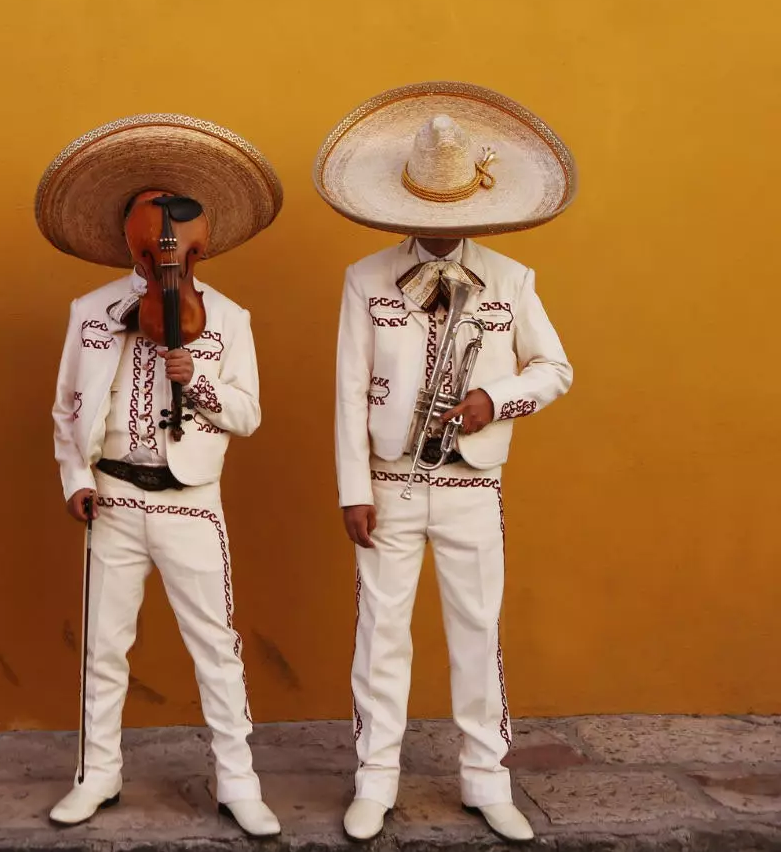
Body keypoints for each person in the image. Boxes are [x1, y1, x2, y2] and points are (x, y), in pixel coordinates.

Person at [312, 85, 577, 843]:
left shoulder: (513, 280)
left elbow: (555, 369)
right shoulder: (365, 279)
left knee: (475, 630)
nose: (438, 229)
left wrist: (497, 397)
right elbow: (347, 389)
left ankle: (487, 777)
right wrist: (352, 488)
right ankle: (375, 778)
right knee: (381, 632)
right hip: (391, 485)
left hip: (473, 484)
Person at [34, 115, 284, 838]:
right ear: (127, 240)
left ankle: (238, 782)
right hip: (111, 495)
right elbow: (64, 408)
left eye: (176, 236)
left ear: (198, 240)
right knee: (103, 643)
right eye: (149, 237)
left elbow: (248, 413)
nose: (163, 249)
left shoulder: (230, 319)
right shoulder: (91, 311)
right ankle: (97, 773)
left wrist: (197, 379)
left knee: (216, 645)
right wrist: (73, 476)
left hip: (191, 503)